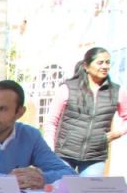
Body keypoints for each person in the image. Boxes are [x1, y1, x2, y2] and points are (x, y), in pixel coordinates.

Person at [46, 46, 127, 176]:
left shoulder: (117, 91)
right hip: (64, 155)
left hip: (95, 157)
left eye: (107, 62)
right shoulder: (67, 89)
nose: (105, 66)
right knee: (62, 188)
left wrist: (118, 133)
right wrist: (50, 150)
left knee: (90, 189)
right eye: (100, 62)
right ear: (86, 66)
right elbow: (51, 121)